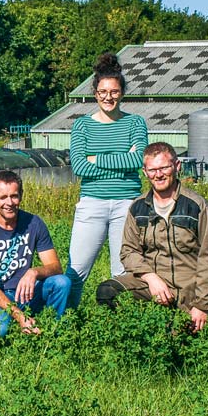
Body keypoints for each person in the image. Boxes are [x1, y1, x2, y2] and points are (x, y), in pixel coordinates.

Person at [96, 142, 208, 333]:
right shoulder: (138, 207)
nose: (159, 175)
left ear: (177, 166)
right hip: (152, 284)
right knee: (107, 292)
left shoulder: (197, 207)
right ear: (145, 172)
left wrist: (203, 305)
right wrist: (150, 277)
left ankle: (173, 325)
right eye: (153, 170)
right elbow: (128, 251)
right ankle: (133, 335)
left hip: (188, 287)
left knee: (176, 342)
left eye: (164, 167)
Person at [66, 52, 148, 309]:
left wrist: (96, 159)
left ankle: (118, 322)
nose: (108, 97)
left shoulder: (135, 123)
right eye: (103, 91)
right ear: (95, 92)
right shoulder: (82, 126)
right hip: (92, 204)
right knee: (76, 271)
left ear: (122, 93)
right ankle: (68, 319)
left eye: (113, 91)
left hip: (127, 205)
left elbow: (138, 161)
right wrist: (120, 159)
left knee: (122, 270)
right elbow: (79, 166)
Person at [0, 170, 71, 345]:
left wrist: (34, 272)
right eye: (3, 197)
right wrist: (19, 315)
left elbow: (56, 267)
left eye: (14, 196)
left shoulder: (34, 223)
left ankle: (52, 337)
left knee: (61, 282)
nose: (9, 203)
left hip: (26, 293)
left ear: (21, 196)